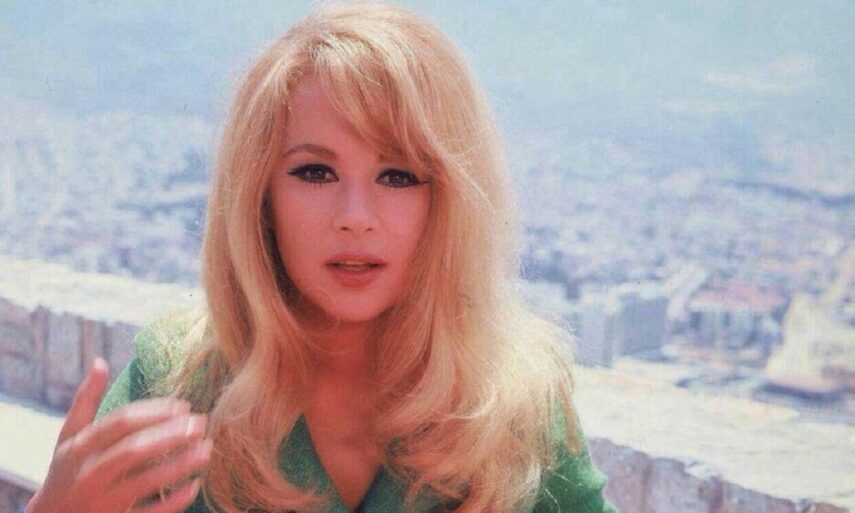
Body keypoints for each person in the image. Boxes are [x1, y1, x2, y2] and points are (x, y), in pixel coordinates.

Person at [25, 2, 619, 512]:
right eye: (315, 172)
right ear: (261, 197)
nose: (355, 215)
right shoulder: (176, 381)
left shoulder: (516, 405)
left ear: (448, 201)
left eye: (398, 175)